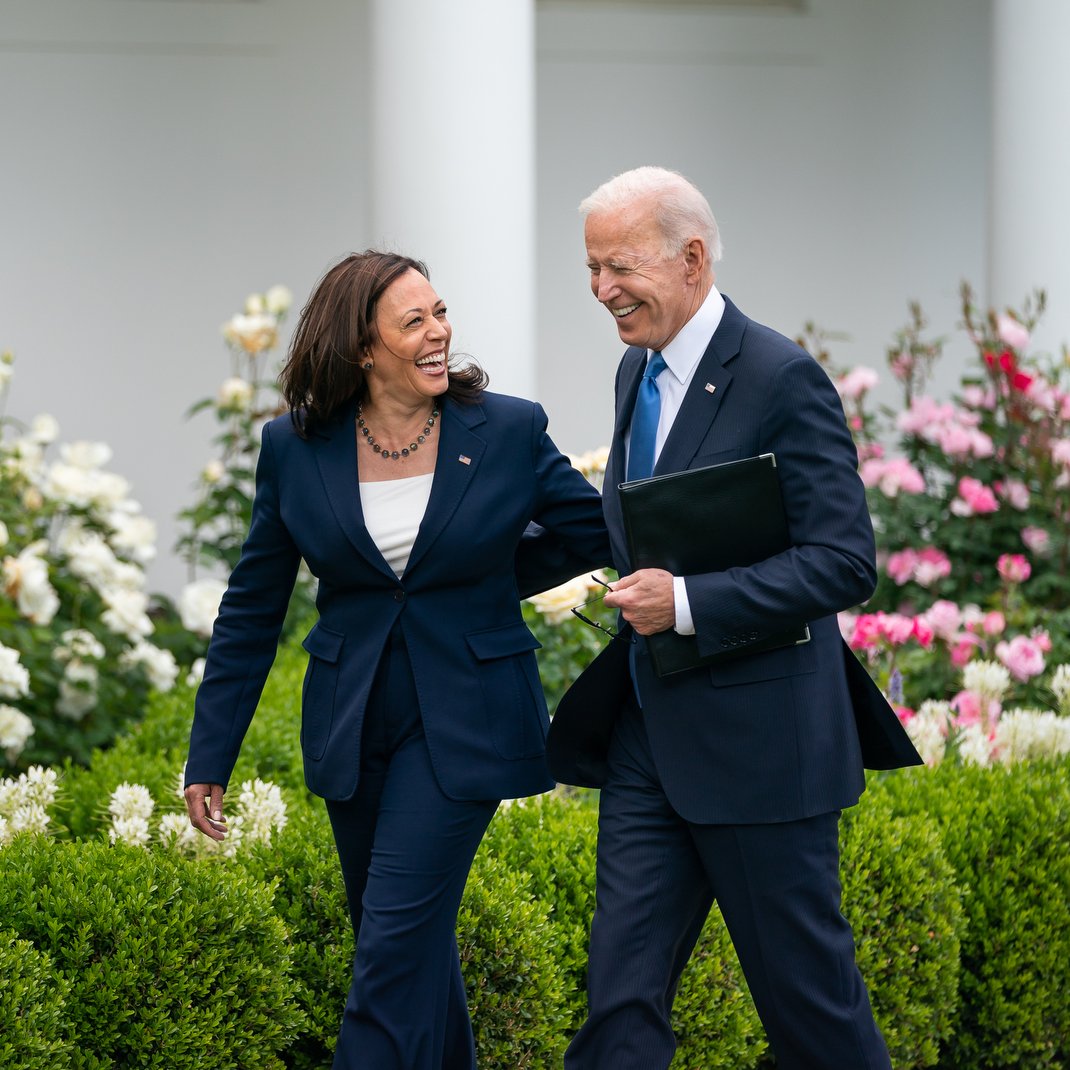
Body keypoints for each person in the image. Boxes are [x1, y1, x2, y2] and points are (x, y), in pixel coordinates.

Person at [182, 250, 610, 1070]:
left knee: (388, 953)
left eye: (440, 313)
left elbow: (590, 532)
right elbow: (252, 606)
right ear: (361, 348)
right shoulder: (294, 447)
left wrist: (486, 581)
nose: (439, 332)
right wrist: (212, 754)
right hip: (353, 720)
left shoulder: (508, 429)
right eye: (414, 321)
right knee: (404, 943)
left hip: (467, 721)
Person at [549, 167, 922, 1069]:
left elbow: (843, 561)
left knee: (814, 1021)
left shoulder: (781, 376)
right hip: (649, 740)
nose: (602, 290)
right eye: (591, 268)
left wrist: (685, 602)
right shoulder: (633, 368)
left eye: (620, 267)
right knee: (618, 1007)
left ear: (692, 257)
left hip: (766, 750)